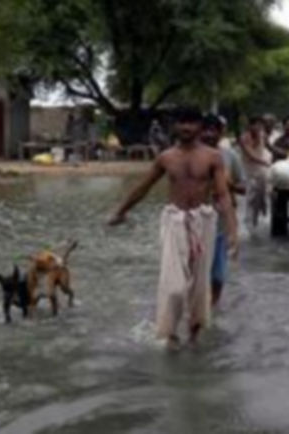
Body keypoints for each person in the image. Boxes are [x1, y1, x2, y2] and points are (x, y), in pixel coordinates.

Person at [108, 107, 239, 350]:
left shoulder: (213, 157)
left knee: (200, 288)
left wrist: (232, 232)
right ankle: (169, 334)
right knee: (174, 287)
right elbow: (143, 187)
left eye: (191, 122)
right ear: (174, 126)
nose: (186, 128)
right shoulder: (166, 157)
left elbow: (222, 195)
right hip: (174, 221)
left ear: (200, 127)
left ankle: (193, 338)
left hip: (204, 221)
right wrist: (121, 211)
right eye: (181, 123)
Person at [201, 114, 246, 306]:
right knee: (194, 271)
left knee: (217, 275)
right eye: (206, 129)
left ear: (221, 133)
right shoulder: (190, 155)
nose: (209, 134)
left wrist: (229, 185)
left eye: (214, 130)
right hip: (194, 220)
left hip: (220, 222)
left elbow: (243, 188)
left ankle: (213, 308)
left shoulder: (230, 156)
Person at [239, 116, 271, 228]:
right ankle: (249, 220)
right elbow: (250, 155)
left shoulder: (262, 135)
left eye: (260, 125)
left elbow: (269, 147)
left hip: (261, 170)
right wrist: (264, 162)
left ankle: (261, 211)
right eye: (255, 125)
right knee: (250, 195)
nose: (257, 127)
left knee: (263, 192)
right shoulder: (244, 138)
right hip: (248, 169)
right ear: (250, 126)